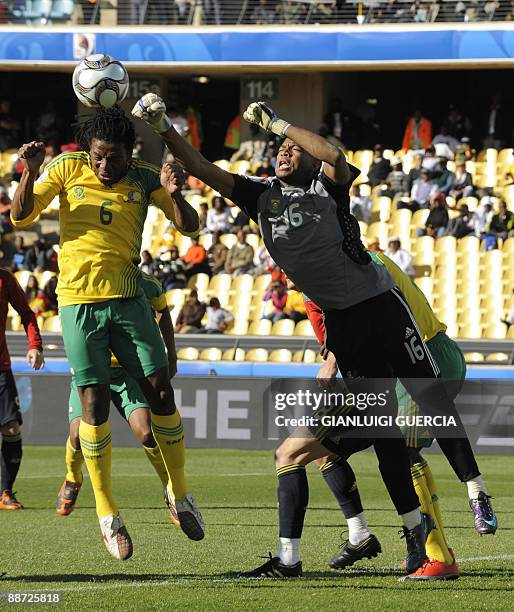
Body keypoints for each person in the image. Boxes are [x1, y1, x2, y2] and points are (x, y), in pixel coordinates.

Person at [133, 95, 490, 577]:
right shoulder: (259, 196)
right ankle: (411, 538)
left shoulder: (327, 188)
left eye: (293, 149)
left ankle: (475, 490)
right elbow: (199, 164)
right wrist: (162, 127)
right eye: (279, 148)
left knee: (429, 396)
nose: (284, 151)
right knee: (386, 436)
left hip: (381, 306)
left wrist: (279, 123)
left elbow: (335, 156)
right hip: (345, 324)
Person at [11, 106, 203, 560]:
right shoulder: (65, 168)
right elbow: (21, 216)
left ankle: (179, 493)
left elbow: (188, 224)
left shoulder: (143, 177)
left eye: (112, 158)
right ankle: (107, 512)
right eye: (97, 157)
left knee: (160, 391)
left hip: (129, 299)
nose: (103, 166)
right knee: (92, 405)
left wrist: (175, 194)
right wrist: (29, 172)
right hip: (78, 303)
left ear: (128, 153)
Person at [305, 250, 470, 580]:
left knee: (404, 451)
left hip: (423, 352)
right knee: (325, 449)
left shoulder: (360, 264)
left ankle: (435, 556)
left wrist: (334, 361)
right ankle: (362, 535)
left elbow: (376, 312)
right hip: (394, 367)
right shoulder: (334, 275)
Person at [56, 273, 180, 526]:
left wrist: (172, 355)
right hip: (93, 371)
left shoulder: (145, 284)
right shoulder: (83, 281)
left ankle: (173, 492)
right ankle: (72, 477)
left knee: (147, 433)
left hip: (126, 374)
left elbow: (163, 313)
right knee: (78, 436)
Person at [0, 269, 44, 511]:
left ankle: (5, 491)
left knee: (11, 428)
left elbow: (26, 314)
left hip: (1, 368)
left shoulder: (5, 279)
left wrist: (35, 345)